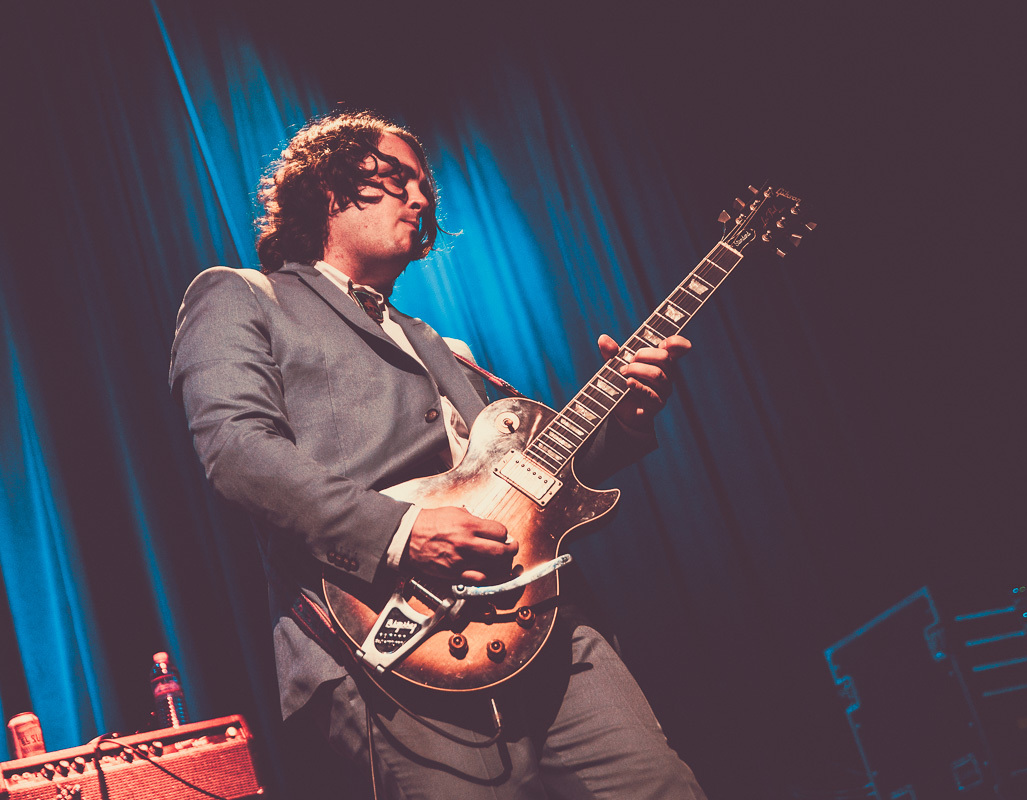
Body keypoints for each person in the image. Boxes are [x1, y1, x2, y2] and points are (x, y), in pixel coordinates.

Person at [170, 110, 705, 798]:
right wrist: (403, 533)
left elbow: (526, 486)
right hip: (383, 647)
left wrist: (626, 419)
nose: (419, 201)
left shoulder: (431, 339)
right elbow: (238, 452)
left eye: (424, 188)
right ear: (327, 188)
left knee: (659, 784)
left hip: (537, 628)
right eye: (394, 180)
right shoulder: (241, 295)